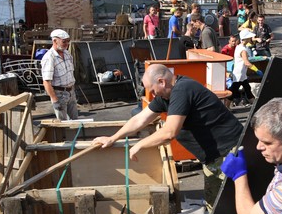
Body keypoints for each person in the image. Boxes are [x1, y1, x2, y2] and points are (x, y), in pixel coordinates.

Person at [93, 64, 243, 206]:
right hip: (213, 157)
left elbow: (169, 132)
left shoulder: (182, 90)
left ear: (161, 82)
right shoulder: (166, 96)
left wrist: (139, 144)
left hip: (228, 152)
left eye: (152, 90)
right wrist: (113, 138)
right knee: (217, 207)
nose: (152, 95)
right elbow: (139, 119)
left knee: (232, 206)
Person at [41, 29, 78, 120]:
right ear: (55, 41)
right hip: (59, 94)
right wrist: (55, 100)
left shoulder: (67, 53)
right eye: (64, 41)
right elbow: (46, 82)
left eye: (68, 41)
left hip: (70, 92)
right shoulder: (49, 57)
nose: (66, 44)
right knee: (63, 124)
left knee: (76, 121)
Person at [228, 29, 260, 107]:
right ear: (246, 38)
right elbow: (246, 62)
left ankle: (256, 106)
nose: (250, 39)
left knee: (247, 89)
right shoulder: (243, 50)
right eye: (249, 37)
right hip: (239, 75)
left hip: (241, 74)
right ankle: (225, 107)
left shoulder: (239, 46)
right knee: (232, 92)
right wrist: (257, 70)